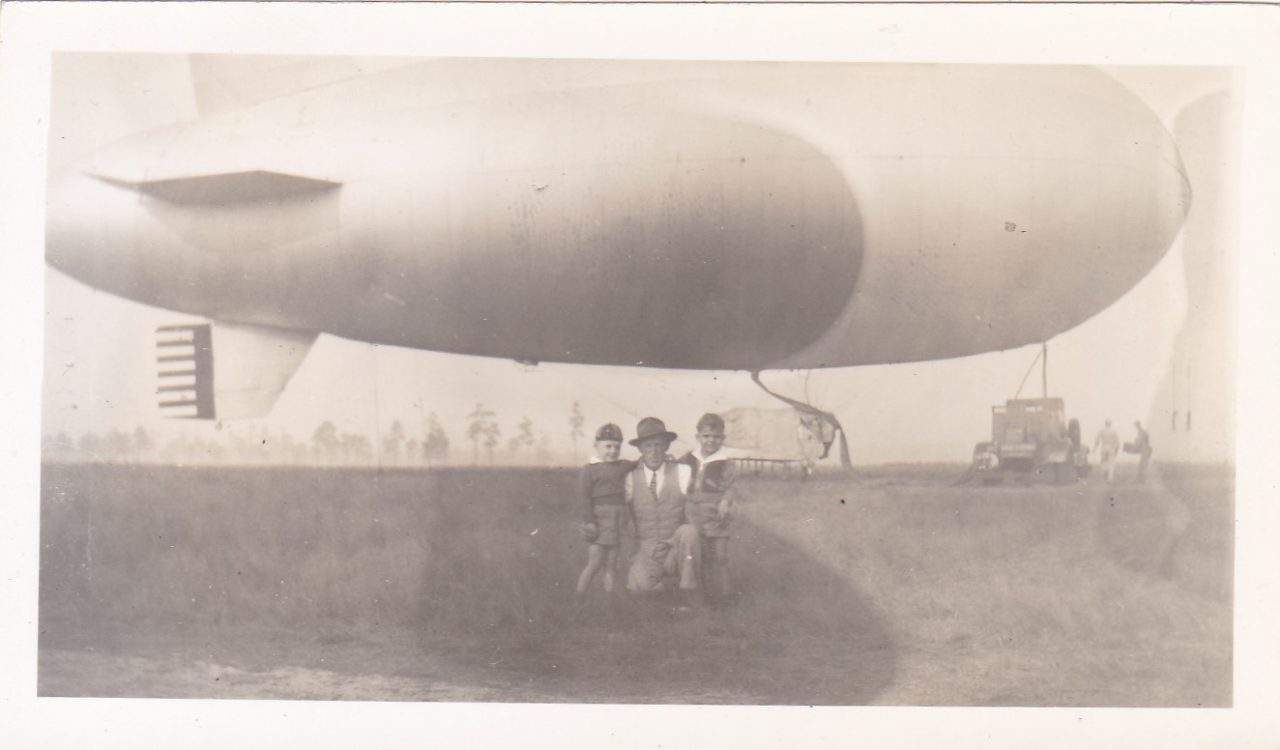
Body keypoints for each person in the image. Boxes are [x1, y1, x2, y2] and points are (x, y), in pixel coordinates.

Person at [624, 417, 702, 602]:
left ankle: (688, 594)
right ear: (640, 449)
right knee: (639, 592)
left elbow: (697, 509)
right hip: (646, 551)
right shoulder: (629, 477)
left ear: (666, 446)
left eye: (658, 445)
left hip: (675, 548)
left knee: (689, 531)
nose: (653, 451)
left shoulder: (682, 472)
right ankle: (655, 584)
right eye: (648, 446)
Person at [679, 413, 737, 604]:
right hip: (694, 514)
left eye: (716, 436)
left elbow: (730, 487)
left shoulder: (726, 462)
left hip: (716, 514)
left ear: (723, 438)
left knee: (720, 556)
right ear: (698, 437)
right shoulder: (688, 458)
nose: (711, 440)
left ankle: (726, 595)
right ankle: (706, 596)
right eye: (706, 436)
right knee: (701, 556)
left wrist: (725, 502)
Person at [575, 423, 634, 595]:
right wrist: (589, 522)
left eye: (617, 447)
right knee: (594, 563)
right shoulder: (589, 470)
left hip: (616, 522)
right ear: (596, 446)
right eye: (607, 446)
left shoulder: (622, 465)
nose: (612, 451)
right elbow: (583, 498)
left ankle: (610, 599)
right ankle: (579, 595)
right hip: (598, 523)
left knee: (611, 563)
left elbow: (638, 463)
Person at [1094, 419, 1120, 483]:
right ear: (1110, 424)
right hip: (1111, 448)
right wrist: (1116, 450)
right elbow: (1117, 442)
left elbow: (1097, 440)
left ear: (1105, 423)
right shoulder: (1114, 431)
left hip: (1104, 447)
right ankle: (1109, 479)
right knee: (1111, 464)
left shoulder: (1102, 430)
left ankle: (1106, 475)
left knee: (1104, 462)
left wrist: (1094, 448)